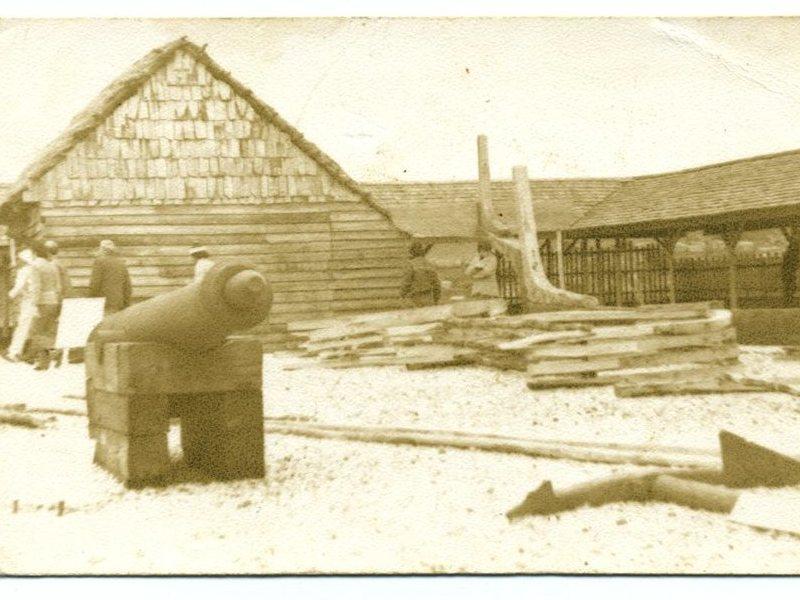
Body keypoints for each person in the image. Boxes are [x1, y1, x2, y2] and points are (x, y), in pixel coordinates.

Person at [29, 240, 63, 370]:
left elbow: (36, 287)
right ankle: (45, 362)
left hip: (42, 302)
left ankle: (54, 352)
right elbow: (58, 287)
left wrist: (34, 304)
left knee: (37, 331)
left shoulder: (35, 265)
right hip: (53, 301)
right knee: (47, 331)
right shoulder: (52, 265)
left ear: (34, 252)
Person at [6, 248, 38, 362]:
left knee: (22, 327)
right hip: (36, 301)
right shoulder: (35, 269)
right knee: (32, 328)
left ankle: (13, 352)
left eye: (20, 259)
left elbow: (19, 286)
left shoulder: (24, 270)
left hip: (28, 301)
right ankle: (25, 352)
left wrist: (10, 296)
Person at [45, 239, 73, 366]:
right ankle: (58, 352)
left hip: (57, 298)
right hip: (65, 297)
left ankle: (56, 353)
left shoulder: (53, 265)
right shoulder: (60, 263)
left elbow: (58, 285)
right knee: (58, 325)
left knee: (52, 326)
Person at [89, 239, 132, 315]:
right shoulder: (121, 263)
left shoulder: (99, 262)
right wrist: (126, 302)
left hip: (104, 303)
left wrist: (92, 299)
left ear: (103, 250)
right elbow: (127, 285)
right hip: (119, 303)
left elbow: (95, 284)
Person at [399, 241, 441, 307]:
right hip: (429, 296)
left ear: (412, 252)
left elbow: (406, 282)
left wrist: (402, 295)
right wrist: (436, 298)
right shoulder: (429, 264)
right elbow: (436, 283)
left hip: (416, 297)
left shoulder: (410, 264)